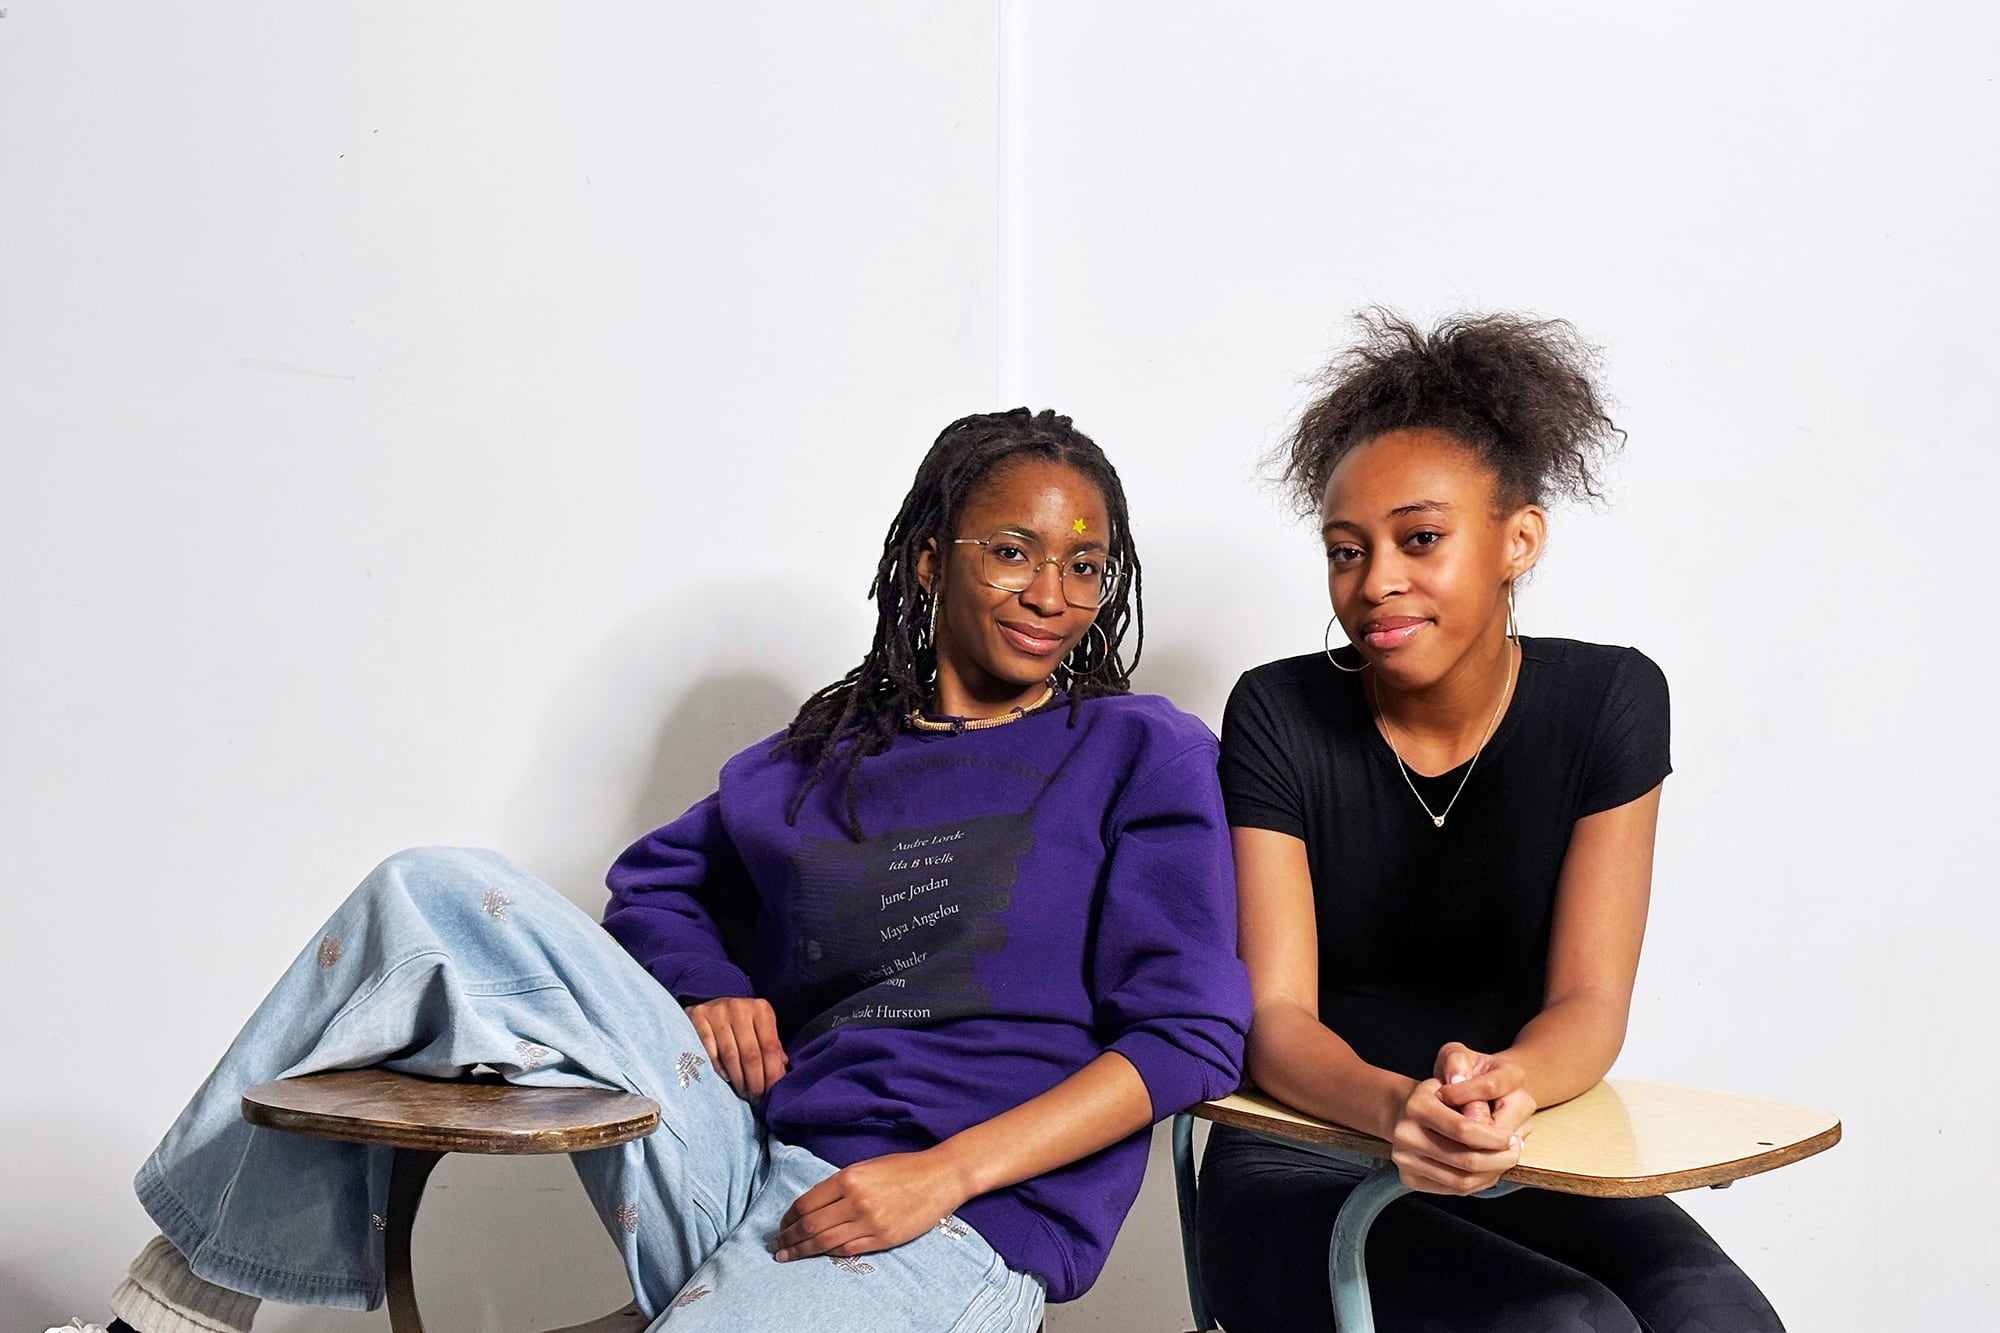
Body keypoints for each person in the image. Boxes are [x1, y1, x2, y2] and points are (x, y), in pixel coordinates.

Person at [81, 408, 1250, 1333]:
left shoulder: (1134, 751)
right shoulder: (820, 759)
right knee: (428, 889)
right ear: (932, 557)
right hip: (743, 1162)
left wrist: (938, 1177)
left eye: (1085, 565)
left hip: (952, 1225)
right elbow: (655, 883)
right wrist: (707, 982)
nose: (1052, 595)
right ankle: (178, 1308)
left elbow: (1189, 1037)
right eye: (1012, 553)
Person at [1193, 314, 1784, 1332]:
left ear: (1519, 539)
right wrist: (1398, 1107)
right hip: (1306, 1148)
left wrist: (1502, 1087)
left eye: (1419, 538)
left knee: (1719, 1319)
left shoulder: (1607, 702)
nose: (1375, 579)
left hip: (1523, 1138)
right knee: (1562, 1323)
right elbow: (1276, 1019)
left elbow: (1590, 1000)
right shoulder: (1277, 713)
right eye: (1345, 550)